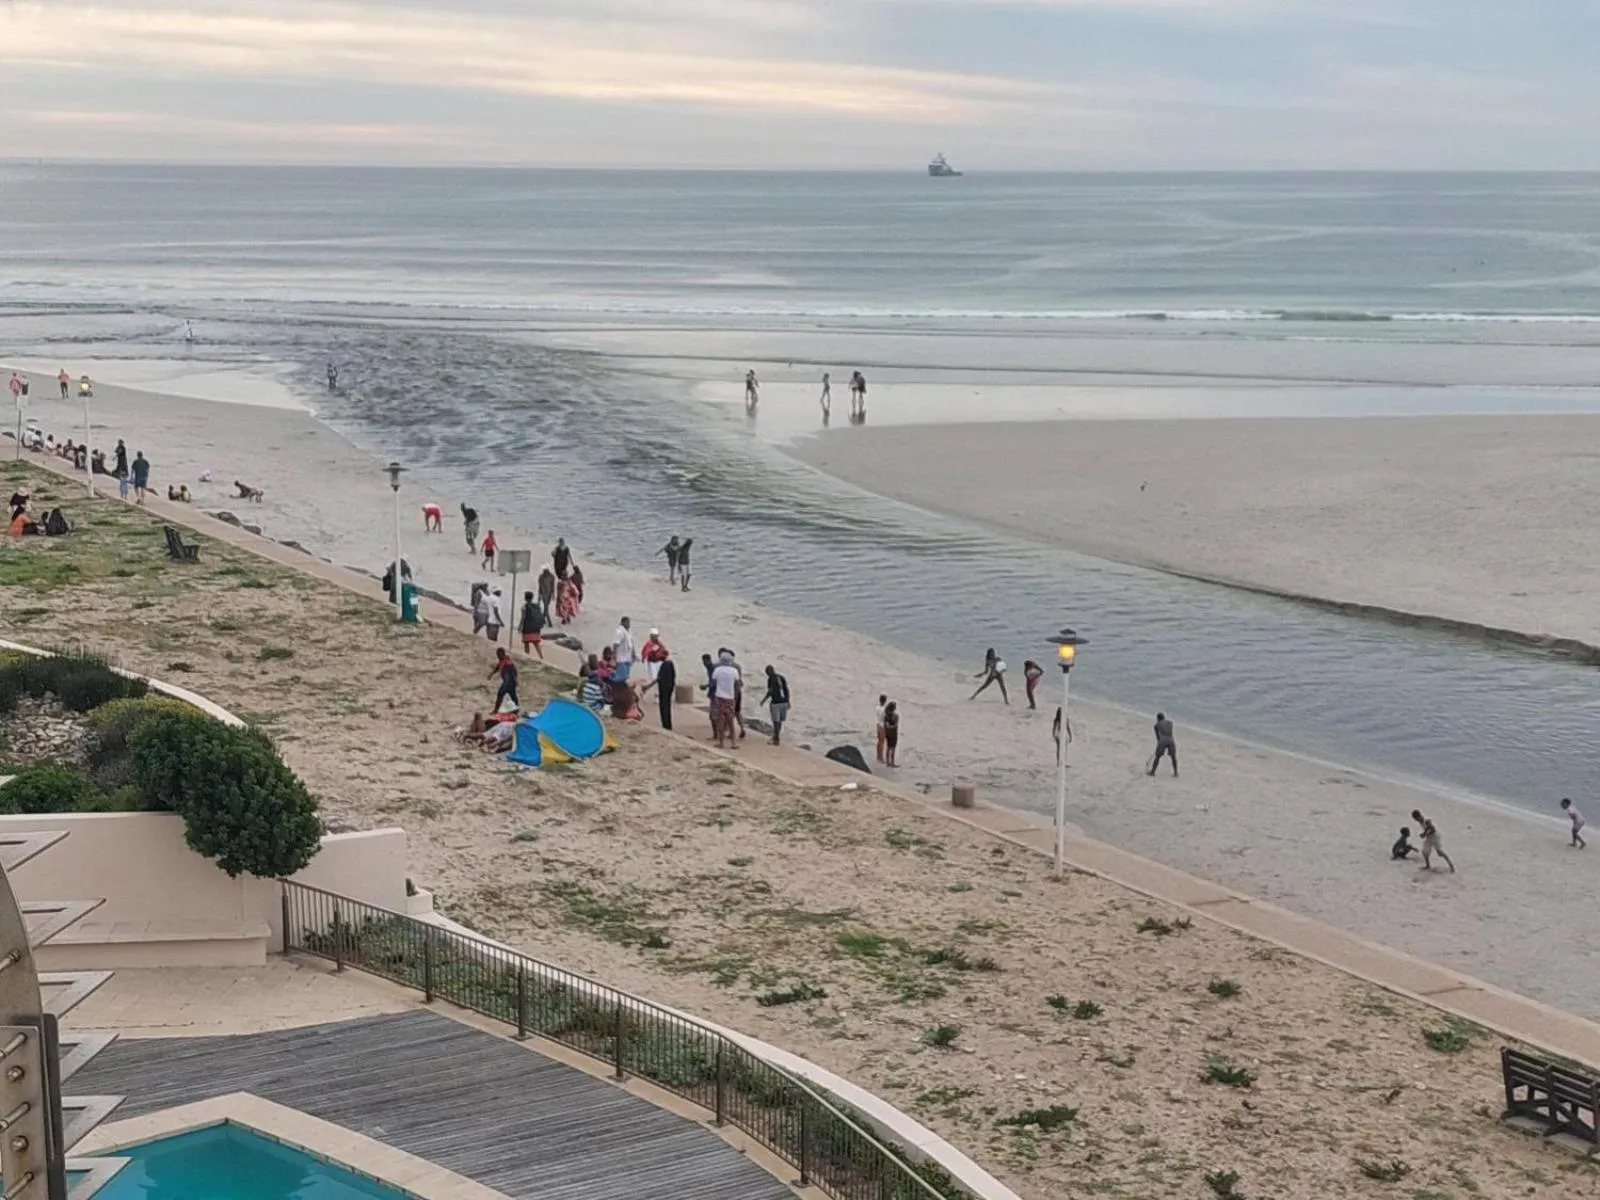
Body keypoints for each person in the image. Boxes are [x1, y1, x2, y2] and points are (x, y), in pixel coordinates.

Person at [710, 652, 741, 748]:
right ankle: (733, 743)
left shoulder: (717, 670)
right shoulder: (734, 671)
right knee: (730, 720)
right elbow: (737, 683)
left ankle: (721, 742)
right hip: (730, 698)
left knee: (720, 720)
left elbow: (713, 682)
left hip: (719, 697)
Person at [1409, 808, 1455, 873]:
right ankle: (1428, 865)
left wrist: (1424, 834)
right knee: (1425, 852)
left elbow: (1433, 829)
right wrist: (1425, 833)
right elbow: (1427, 829)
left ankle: (1451, 865)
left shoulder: (1426, 820)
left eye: (1416, 818)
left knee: (1440, 852)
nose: (1416, 820)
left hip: (1435, 837)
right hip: (1429, 837)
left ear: (1418, 816)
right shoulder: (1420, 821)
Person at [761, 665, 790, 745]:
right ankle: (776, 736)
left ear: (768, 672)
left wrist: (763, 700)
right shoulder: (781, 677)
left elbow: (771, 691)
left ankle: (776, 738)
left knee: (775, 721)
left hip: (776, 702)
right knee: (780, 721)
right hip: (784, 701)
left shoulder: (770, 679)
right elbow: (786, 690)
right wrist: (788, 701)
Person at [653, 650, 677, 731]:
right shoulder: (670, 664)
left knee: (664, 706)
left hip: (664, 689)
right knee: (667, 705)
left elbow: (660, 678)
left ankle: (666, 724)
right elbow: (674, 676)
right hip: (669, 687)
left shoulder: (665, 664)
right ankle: (668, 724)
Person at [489, 648, 519, 713]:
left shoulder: (508, 661)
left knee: (501, 694)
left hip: (508, 682)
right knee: (512, 696)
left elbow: (514, 671)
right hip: (508, 682)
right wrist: (491, 674)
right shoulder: (501, 660)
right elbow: (497, 668)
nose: (497, 656)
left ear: (502, 654)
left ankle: (496, 710)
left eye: (498, 655)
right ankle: (516, 710)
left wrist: (515, 680)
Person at [1149, 712, 1177, 776]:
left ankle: (1152, 772)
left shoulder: (1156, 725)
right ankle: (1176, 772)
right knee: (1173, 757)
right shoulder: (1170, 723)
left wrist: (1159, 744)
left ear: (1158, 719)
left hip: (1163, 740)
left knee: (1157, 757)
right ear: (1164, 717)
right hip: (1171, 740)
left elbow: (1158, 737)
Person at [519, 590, 545, 660]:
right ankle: (541, 657)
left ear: (525, 598)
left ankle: (527, 656)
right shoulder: (536, 606)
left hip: (527, 627)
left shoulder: (524, 607)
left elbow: (523, 618)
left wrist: (520, 627)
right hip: (535, 627)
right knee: (536, 643)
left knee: (526, 643)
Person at [613, 616, 636, 683]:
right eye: (628, 622)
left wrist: (633, 653)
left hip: (627, 658)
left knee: (626, 676)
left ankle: (622, 688)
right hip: (621, 658)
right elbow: (615, 644)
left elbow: (631, 643)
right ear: (623, 622)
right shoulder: (620, 631)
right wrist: (614, 654)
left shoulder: (628, 631)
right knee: (621, 676)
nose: (629, 624)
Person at [882, 700, 900, 767]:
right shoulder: (896, 716)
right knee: (893, 749)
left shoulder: (886, 716)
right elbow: (896, 725)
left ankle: (887, 762)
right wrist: (892, 726)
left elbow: (885, 725)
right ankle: (892, 763)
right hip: (894, 734)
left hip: (887, 733)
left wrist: (888, 727)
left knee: (888, 748)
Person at [875, 693, 888, 763]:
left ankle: (878, 756)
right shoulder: (885, 710)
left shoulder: (877, 707)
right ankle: (881, 758)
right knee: (882, 742)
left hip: (878, 725)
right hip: (883, 726)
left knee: (879, 741)